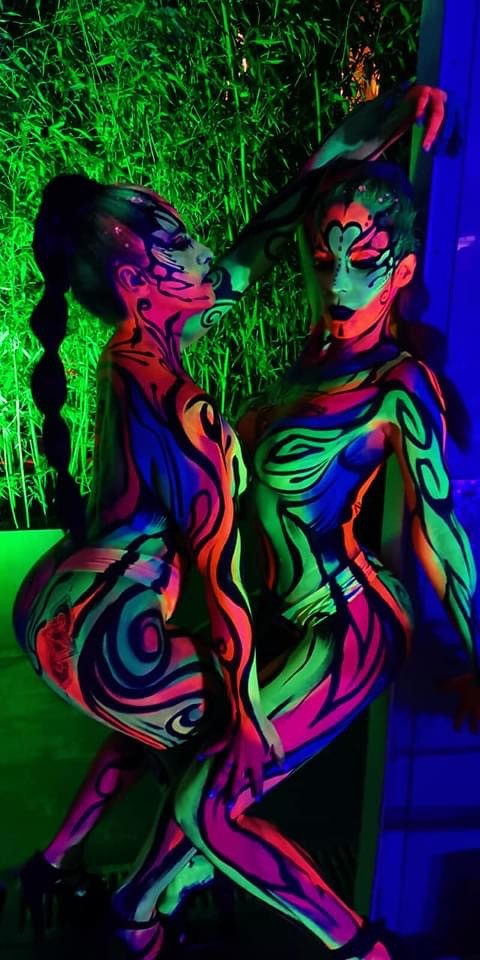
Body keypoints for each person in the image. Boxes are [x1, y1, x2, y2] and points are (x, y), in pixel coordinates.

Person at [13, 86, 449, 960]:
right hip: (116, 636)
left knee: (184, 757)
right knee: (223, 773)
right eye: (178, 243)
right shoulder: (184, 409)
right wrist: (251, 715)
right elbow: (222, 586)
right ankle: (343, 946)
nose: (204, 249)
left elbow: (271, 224)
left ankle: (82, 880)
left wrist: (379, 126)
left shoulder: (135, 352)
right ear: (139, 283)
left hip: (74, 607)